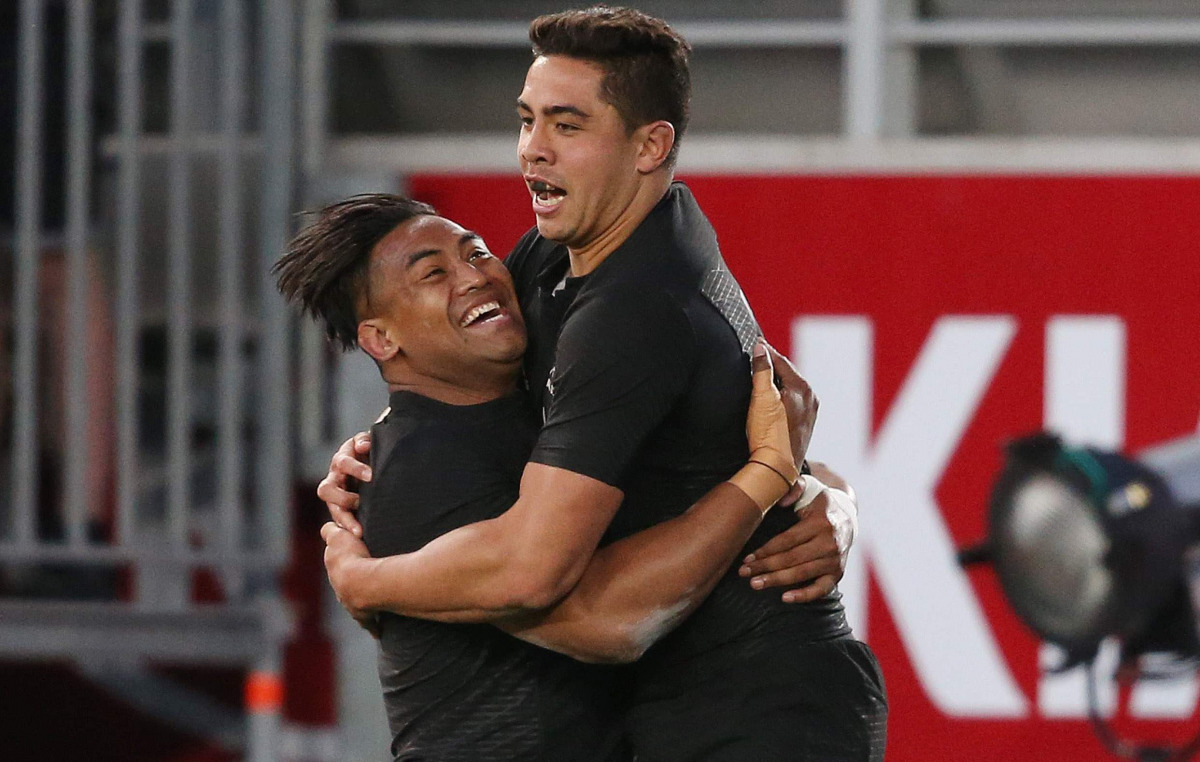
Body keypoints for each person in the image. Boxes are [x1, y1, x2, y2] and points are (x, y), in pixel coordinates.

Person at [320, 6, 887, 760]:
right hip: (683, 705)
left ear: (651, 146)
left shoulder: (636, 308)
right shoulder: (556, 260)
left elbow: (563, 597)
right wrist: (825, 492)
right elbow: (730, 429)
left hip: (762, 706)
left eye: (567, 126)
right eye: (527, 121)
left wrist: (368, 583)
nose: (533, 152)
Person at [275, 194, 806, 760]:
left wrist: (824, 499)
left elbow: (686, 478)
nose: (474, 277)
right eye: (433, 273)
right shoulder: (416, 470)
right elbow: (604, 621)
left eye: (475, 252)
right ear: (382, 339)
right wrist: (766, 476)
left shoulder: (540, 409)